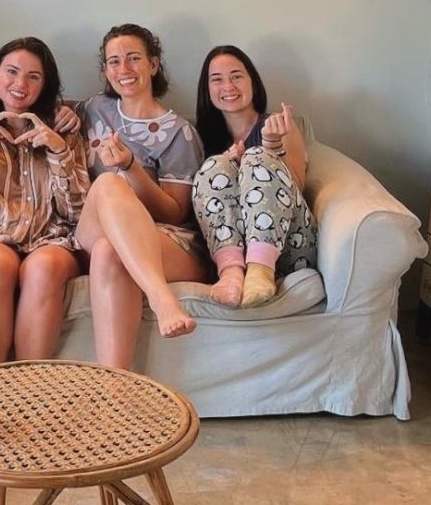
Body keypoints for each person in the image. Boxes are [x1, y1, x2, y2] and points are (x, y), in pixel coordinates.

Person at [76, 23, 208, 370]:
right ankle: (160, 296)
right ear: (105, 70)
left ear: (153, 63)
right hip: (93, 226)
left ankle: (114, 389)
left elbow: (176, 212)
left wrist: (132, 166)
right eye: (114, 61)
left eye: (134, 58)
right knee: (106, 185)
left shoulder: (179, 132)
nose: (124, 69)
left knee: (109, 252)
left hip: (159, 234)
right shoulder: (90, 110)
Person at [0, 37, 89, 366]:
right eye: (11, 72)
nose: (20, 84)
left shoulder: (63, 126)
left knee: (42, 268)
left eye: (33, 76)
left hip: (51, 237)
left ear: (45, 84)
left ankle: (28, 387)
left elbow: (78, 211)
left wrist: (59, 151)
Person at [192, 45, 317, 308]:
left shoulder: (278, 124)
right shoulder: (201, 137)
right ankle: (232, 273)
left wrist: (272, 147)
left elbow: (297, 188)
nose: (228, 85)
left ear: (252, 81)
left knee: (257, 156)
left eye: (236, 76)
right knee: (216, 164)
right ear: (208, 89)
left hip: (288, 247)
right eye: (217, 79)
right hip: (230, 253)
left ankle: (261, 270)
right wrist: (227, 163)